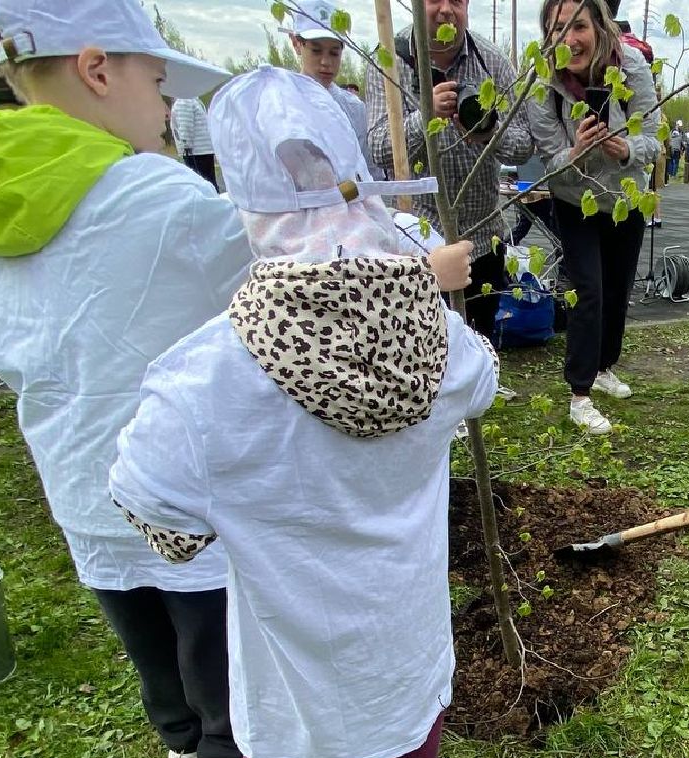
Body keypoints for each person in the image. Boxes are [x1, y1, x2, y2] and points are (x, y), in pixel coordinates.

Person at [110, 66, 498, 758]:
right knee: (411, 691)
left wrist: (213, 526)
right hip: (400, 592)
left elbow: (145, 490)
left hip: (286, 603)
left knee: (275, 714)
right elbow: (483, 381)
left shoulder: (210, 374)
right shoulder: (437, 334)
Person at [0, 0, 251, 758]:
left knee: (134, 613)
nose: (167, 104)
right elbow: (256, 291)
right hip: (176, 475)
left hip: (74, 470)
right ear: (97, 68)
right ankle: (223, 751)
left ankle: (175, 733)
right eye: (158, 79)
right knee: (204, 618)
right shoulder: (154, 193)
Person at [528, 0, 660, 435]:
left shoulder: (632, 64)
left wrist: (628, 150)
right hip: (575, 199)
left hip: (626, 196)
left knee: (618, 287)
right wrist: (575, 153)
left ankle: (605, 367)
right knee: (589, 290)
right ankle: (579, 393)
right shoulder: (542, 82)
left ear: (600, 26)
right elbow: (549, 160)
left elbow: (654, 135)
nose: (570, 39)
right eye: (558, 29)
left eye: (579, 26)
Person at [365, 0, 532, 338]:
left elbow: (524, 143)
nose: (445, 10)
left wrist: (487, 132)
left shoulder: (491, 62)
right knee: (422, 350)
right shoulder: (388, 61)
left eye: (456, 0)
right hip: (420, 244)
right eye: (434, 0)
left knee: (479, 345)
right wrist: (425, 117)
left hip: (482, 238)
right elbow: (379, 149)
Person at [282, 0, 375, 179]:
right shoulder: (283, 103)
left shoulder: (354, 108)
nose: (326, 62)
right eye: (316, 51)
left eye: (334, 53)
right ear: (296, 44)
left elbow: (368, 172)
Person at [169, 96, 217, 188]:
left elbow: (185, 126)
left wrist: (186, 145)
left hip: (195, 151)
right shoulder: (192, 100)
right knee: (209, 181)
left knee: (202, 182)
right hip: (202, 149)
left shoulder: (184, 101)